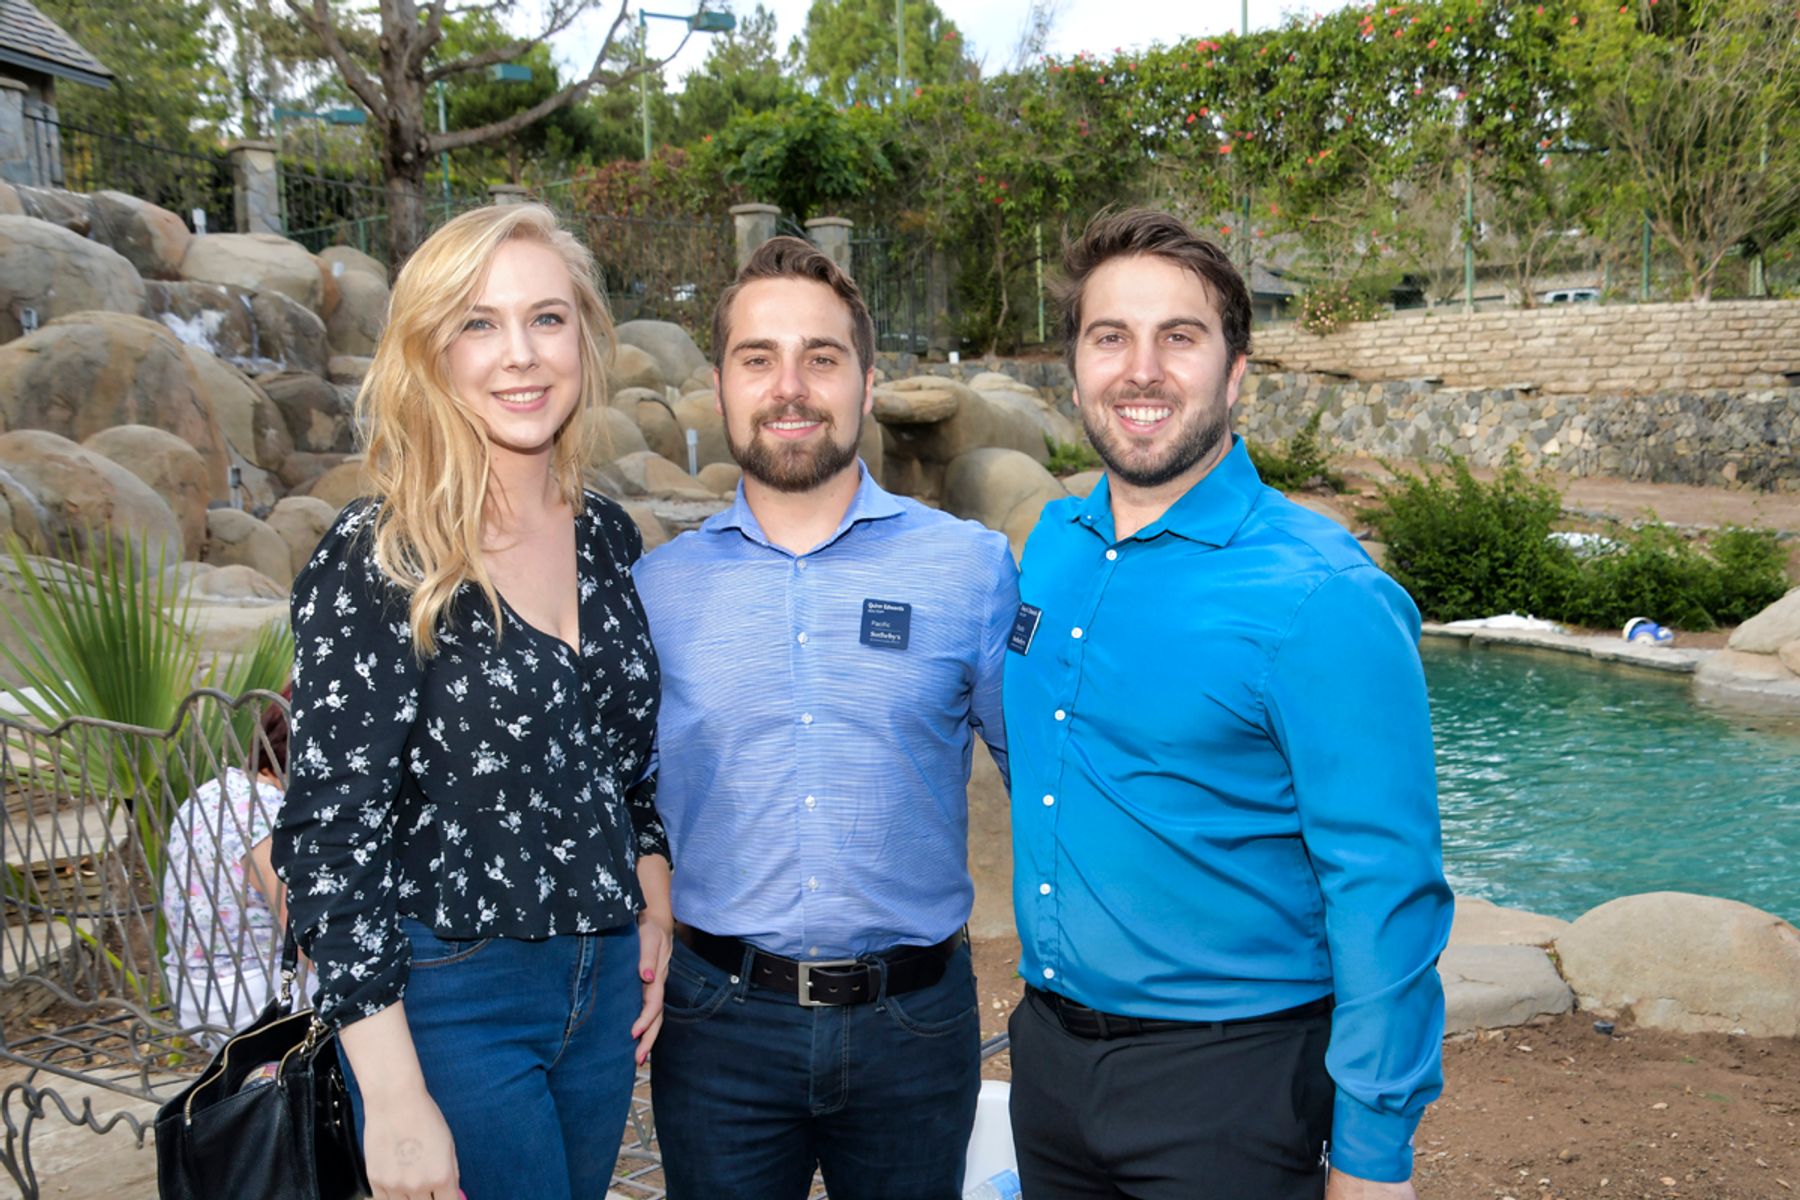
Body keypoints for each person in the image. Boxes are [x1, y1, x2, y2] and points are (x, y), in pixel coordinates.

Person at [1003, 208, 1453, 1200]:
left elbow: (1385, 885)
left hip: (1230, 1091)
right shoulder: (1054, 546)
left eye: (1180, 337)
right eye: (1110, 337)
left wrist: (1374, 1153)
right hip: (1049, 1068)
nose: (1142, 371)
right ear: (1073, 370)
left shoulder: (1322, 594)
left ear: (1236, 370)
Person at [273, 204, 670, 1200]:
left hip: (602, 991)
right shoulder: (383, 554)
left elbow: (622, 768)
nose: (520, 354)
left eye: (546, 318)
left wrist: (652, 883)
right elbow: (328, 839)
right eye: (478, 323)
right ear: (430, 351)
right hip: (451, 1000)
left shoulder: (608, 536)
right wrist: (394, 1096)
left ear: (584, 336)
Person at [632, 236, 1018, 1200]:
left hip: (914, 1028)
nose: (790, 387)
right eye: (758, 358)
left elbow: (1046, 781)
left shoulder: (969, 571)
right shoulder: (655, 592)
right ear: (720, 387)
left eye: (822, 357)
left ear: (867, 382)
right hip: (716, 1029)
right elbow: (620, 795)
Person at [161, 695, 291, 1044]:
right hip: (252, 1004)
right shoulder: (269, 815)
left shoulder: (213, 791)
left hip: (192, 995)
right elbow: (305, 936)